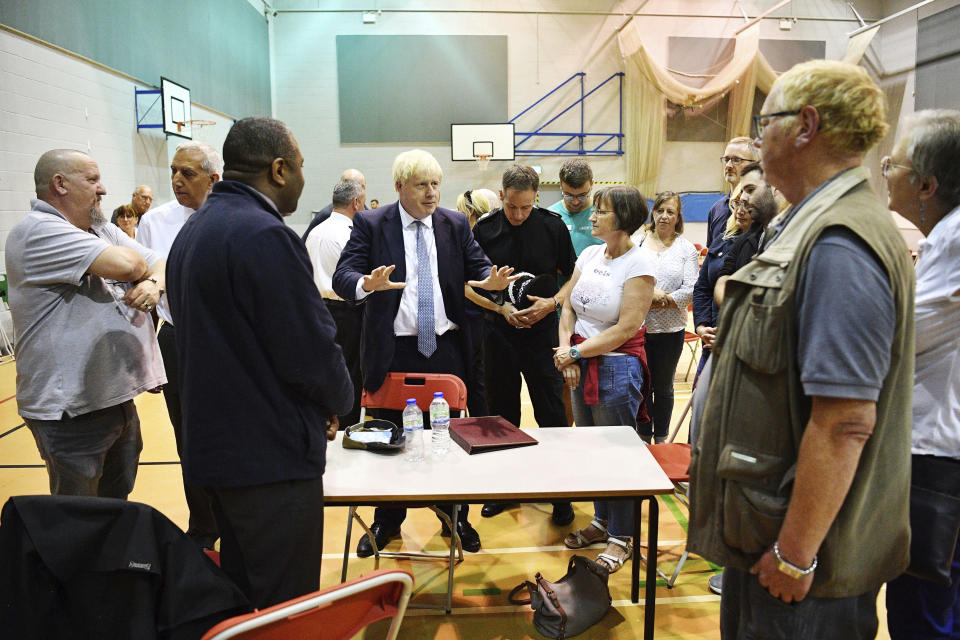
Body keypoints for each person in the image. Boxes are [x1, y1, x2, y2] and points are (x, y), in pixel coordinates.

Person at [688, 60, 915, 639]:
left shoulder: (839, 242)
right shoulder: (811, 225)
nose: (758, 141)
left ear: (806, 125)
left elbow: (844, 422)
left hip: (800, 562)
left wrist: (795, 553)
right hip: (771, 534)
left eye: (766, 123)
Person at [166, 117, 353, 609]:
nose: (303, 179)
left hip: (222, 455)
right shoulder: (264, 235)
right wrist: (337, 401)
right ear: (278, 169)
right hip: (269, 460)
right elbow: (308, 350)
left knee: (246, 597)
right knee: (284, 607)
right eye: (300, 168)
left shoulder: (195, 230)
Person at [332, 149, 517, 557]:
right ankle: (386, 522)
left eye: (436, 184)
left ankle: (456, 516)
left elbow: (478, 265)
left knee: (448, 440)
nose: (432, 193)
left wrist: (490, 280)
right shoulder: (371, 223)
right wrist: (367, 283)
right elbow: (342, 276)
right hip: (393, 352)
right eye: (421, 185)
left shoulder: (453, 223)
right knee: (387, 444)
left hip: (446, 351)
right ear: (400, 187)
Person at [6, 149, 166, 499]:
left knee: (114, 505)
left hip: (113, 399)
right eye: (92, 180)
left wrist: (154, 282)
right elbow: (129, 265)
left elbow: (160, 262)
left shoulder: (100, 227)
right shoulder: (40, 231)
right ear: (60, 184)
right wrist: (145, 271)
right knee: (78, 519)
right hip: (71, 411)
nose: (104, 189)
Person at [881, 109, 960, 639]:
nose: (885, 170)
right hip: (935, 445)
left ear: (927, 184)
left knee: (925, 604)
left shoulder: (953, 239)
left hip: (936, 453)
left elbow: (897, 337)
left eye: (894, 163)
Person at [553, 185, 654, 572]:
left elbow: (626, 327)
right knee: (593, 451)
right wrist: (568, 354)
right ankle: (602, 520)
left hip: (616, 366)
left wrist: (577, 352)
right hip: (580, 362)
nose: (592, 217)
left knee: (618, 455)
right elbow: (568, 308)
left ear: (624, 220)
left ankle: (623, 536)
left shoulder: (639, 265)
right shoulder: (591, 253)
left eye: (601, 211)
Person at [471, 164, 578, 526]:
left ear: (536, 198)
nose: (518, 215)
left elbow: (572, 276)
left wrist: (553, 303)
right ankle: (505, 488)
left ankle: (560, 493)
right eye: (512, 206)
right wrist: (500, 308)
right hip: (498, 334)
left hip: (541, 334)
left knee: (551, 411)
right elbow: (468, 285)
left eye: (526, 207)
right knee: (501, 413)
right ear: (501, 196)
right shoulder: (484, 229)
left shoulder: (552, 226)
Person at [136, 140, 223, 550]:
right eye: (173, 171)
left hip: (224, 340)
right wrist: (147, 358)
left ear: (213, 178)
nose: (176, 180)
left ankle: (234, 519)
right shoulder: (154, 221)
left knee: (228, 431)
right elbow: (148, 289)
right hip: (176, 336)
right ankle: (204, 525)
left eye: (187, 173)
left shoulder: (231, 217)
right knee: (186, 436)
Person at [631, 191, 698, 443]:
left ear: (678, 216)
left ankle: (661, 438)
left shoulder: (686, 249)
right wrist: (652, 294)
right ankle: (642, 436)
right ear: (653, 212)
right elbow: (630, 280)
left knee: (664, 387)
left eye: (670, 211)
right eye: (660, 210)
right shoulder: (637, 242)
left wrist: (661, 298)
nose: (664, 216)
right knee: (642, 387)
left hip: (671, 332)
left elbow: (691, 289)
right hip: (639, 328)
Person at [305, 178, 367, 427]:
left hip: (319, 310)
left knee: (327, 371)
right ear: (356, 203)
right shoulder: (348, 235)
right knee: (351, 373)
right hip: (346, 312)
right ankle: (349, 424)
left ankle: (328, 422)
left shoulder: (315, 231)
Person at [691, 184, 745, 381]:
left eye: (747, 204)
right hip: (711, 341)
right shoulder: (722, 239)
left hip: (741, 346)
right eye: (737, 203)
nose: (740, 209)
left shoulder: (766, 242)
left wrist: (730, 336)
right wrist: (702, 327)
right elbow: (703, 288)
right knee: (700, 407)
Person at [456, 187, 502, 417]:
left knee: (477, 383)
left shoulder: (472, 240)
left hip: (477, 319)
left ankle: (481, 428)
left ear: (470, 211)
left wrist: (498, 308)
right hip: (485, 318)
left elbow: (466, 289)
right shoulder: (490, 235)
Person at [705, 137, 758, 250]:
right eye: (726, 159)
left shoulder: (761, 208)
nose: (728, 165)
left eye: (736, 160)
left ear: (755, 164)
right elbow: (711, 256)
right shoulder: (716, 209)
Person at [548, 158, 601, 257]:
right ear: (560, 185)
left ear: (592, 184)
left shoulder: (604, 212)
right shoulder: (551, 215)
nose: (575, 202)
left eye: (582, 195)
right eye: (568, 195)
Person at [301, 168, 366, 241]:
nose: (355, 189)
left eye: (361, 186)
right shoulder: (325, 215)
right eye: (348, 184)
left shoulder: (367, 214)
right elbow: (304, 243)